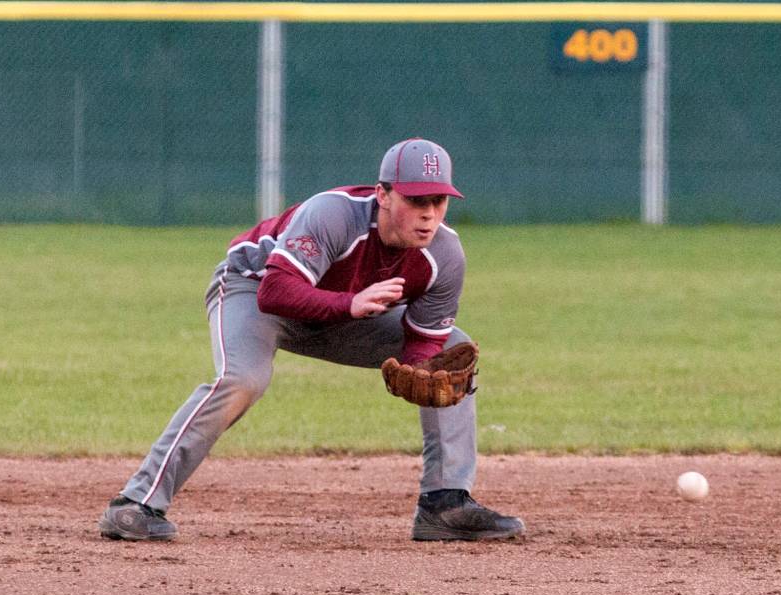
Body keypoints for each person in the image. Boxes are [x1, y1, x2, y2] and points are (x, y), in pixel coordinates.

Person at [98, 138, 525, 543]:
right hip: (254, 289)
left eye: (438, 201)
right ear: (383, 194)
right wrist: (349, 304)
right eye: (416, 200)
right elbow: (275, 291)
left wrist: (417, 367)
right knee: (243, 380)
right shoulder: (333, 214)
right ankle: (137, 502)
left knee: (451, 353)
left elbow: (423, 342)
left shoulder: (445, 256)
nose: (429, 214)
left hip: (346, 310)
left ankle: (444, 503)